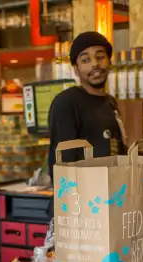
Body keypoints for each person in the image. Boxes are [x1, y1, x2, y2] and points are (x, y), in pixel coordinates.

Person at [47, 32, 125, 178]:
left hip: (109, 195)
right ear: (76, 69)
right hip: (80, 197)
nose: (95, 64)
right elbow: (62, 165)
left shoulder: (110, 103)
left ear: (109, 61)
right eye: (85, 60)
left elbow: (116, 151)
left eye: (100, 57)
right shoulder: (66, 103)